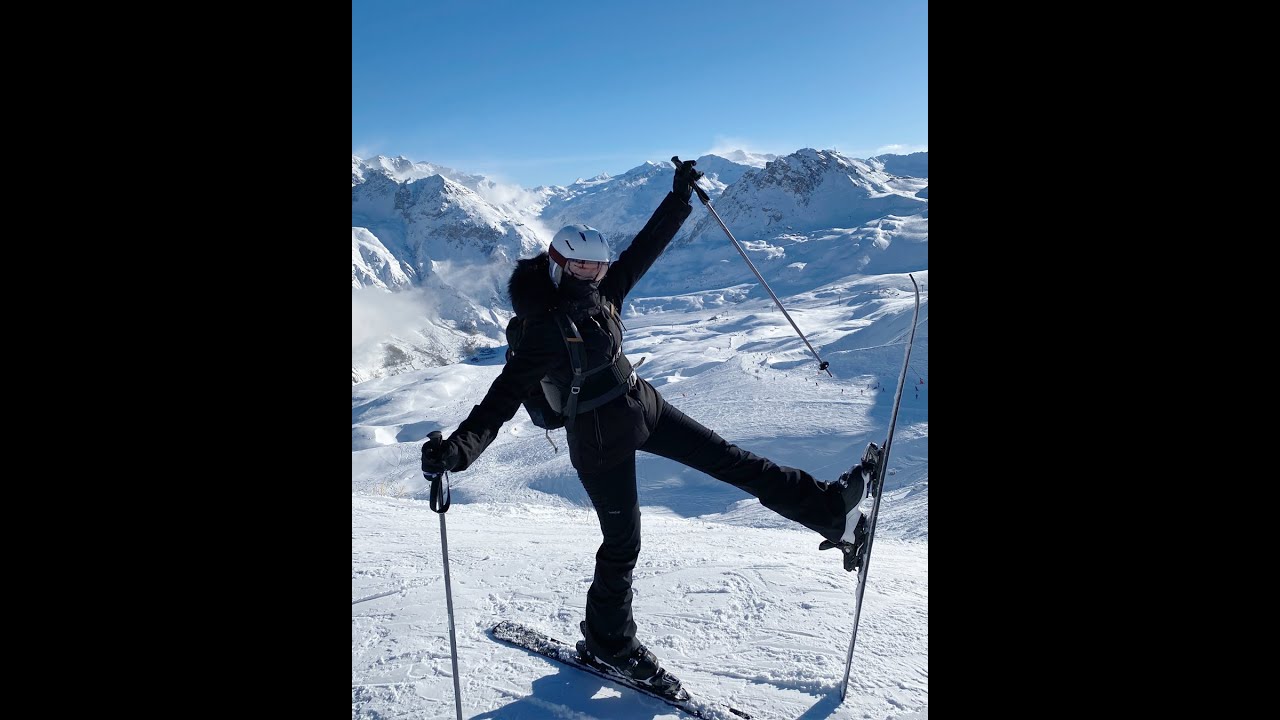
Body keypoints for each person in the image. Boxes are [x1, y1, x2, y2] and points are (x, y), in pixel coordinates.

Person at [421, 158, 875, 696]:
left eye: (599, 267)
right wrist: (456, 451)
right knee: (623, 542)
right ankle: (607, 641)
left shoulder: (604, 291)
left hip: (641, 404)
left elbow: (644, 251)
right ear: (558, 264)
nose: (596, 275)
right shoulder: (542, 328)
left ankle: (828, 510)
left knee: (734, 461)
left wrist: (678, 196)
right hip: (597, 438)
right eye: (584, 268)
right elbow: (499, 401)